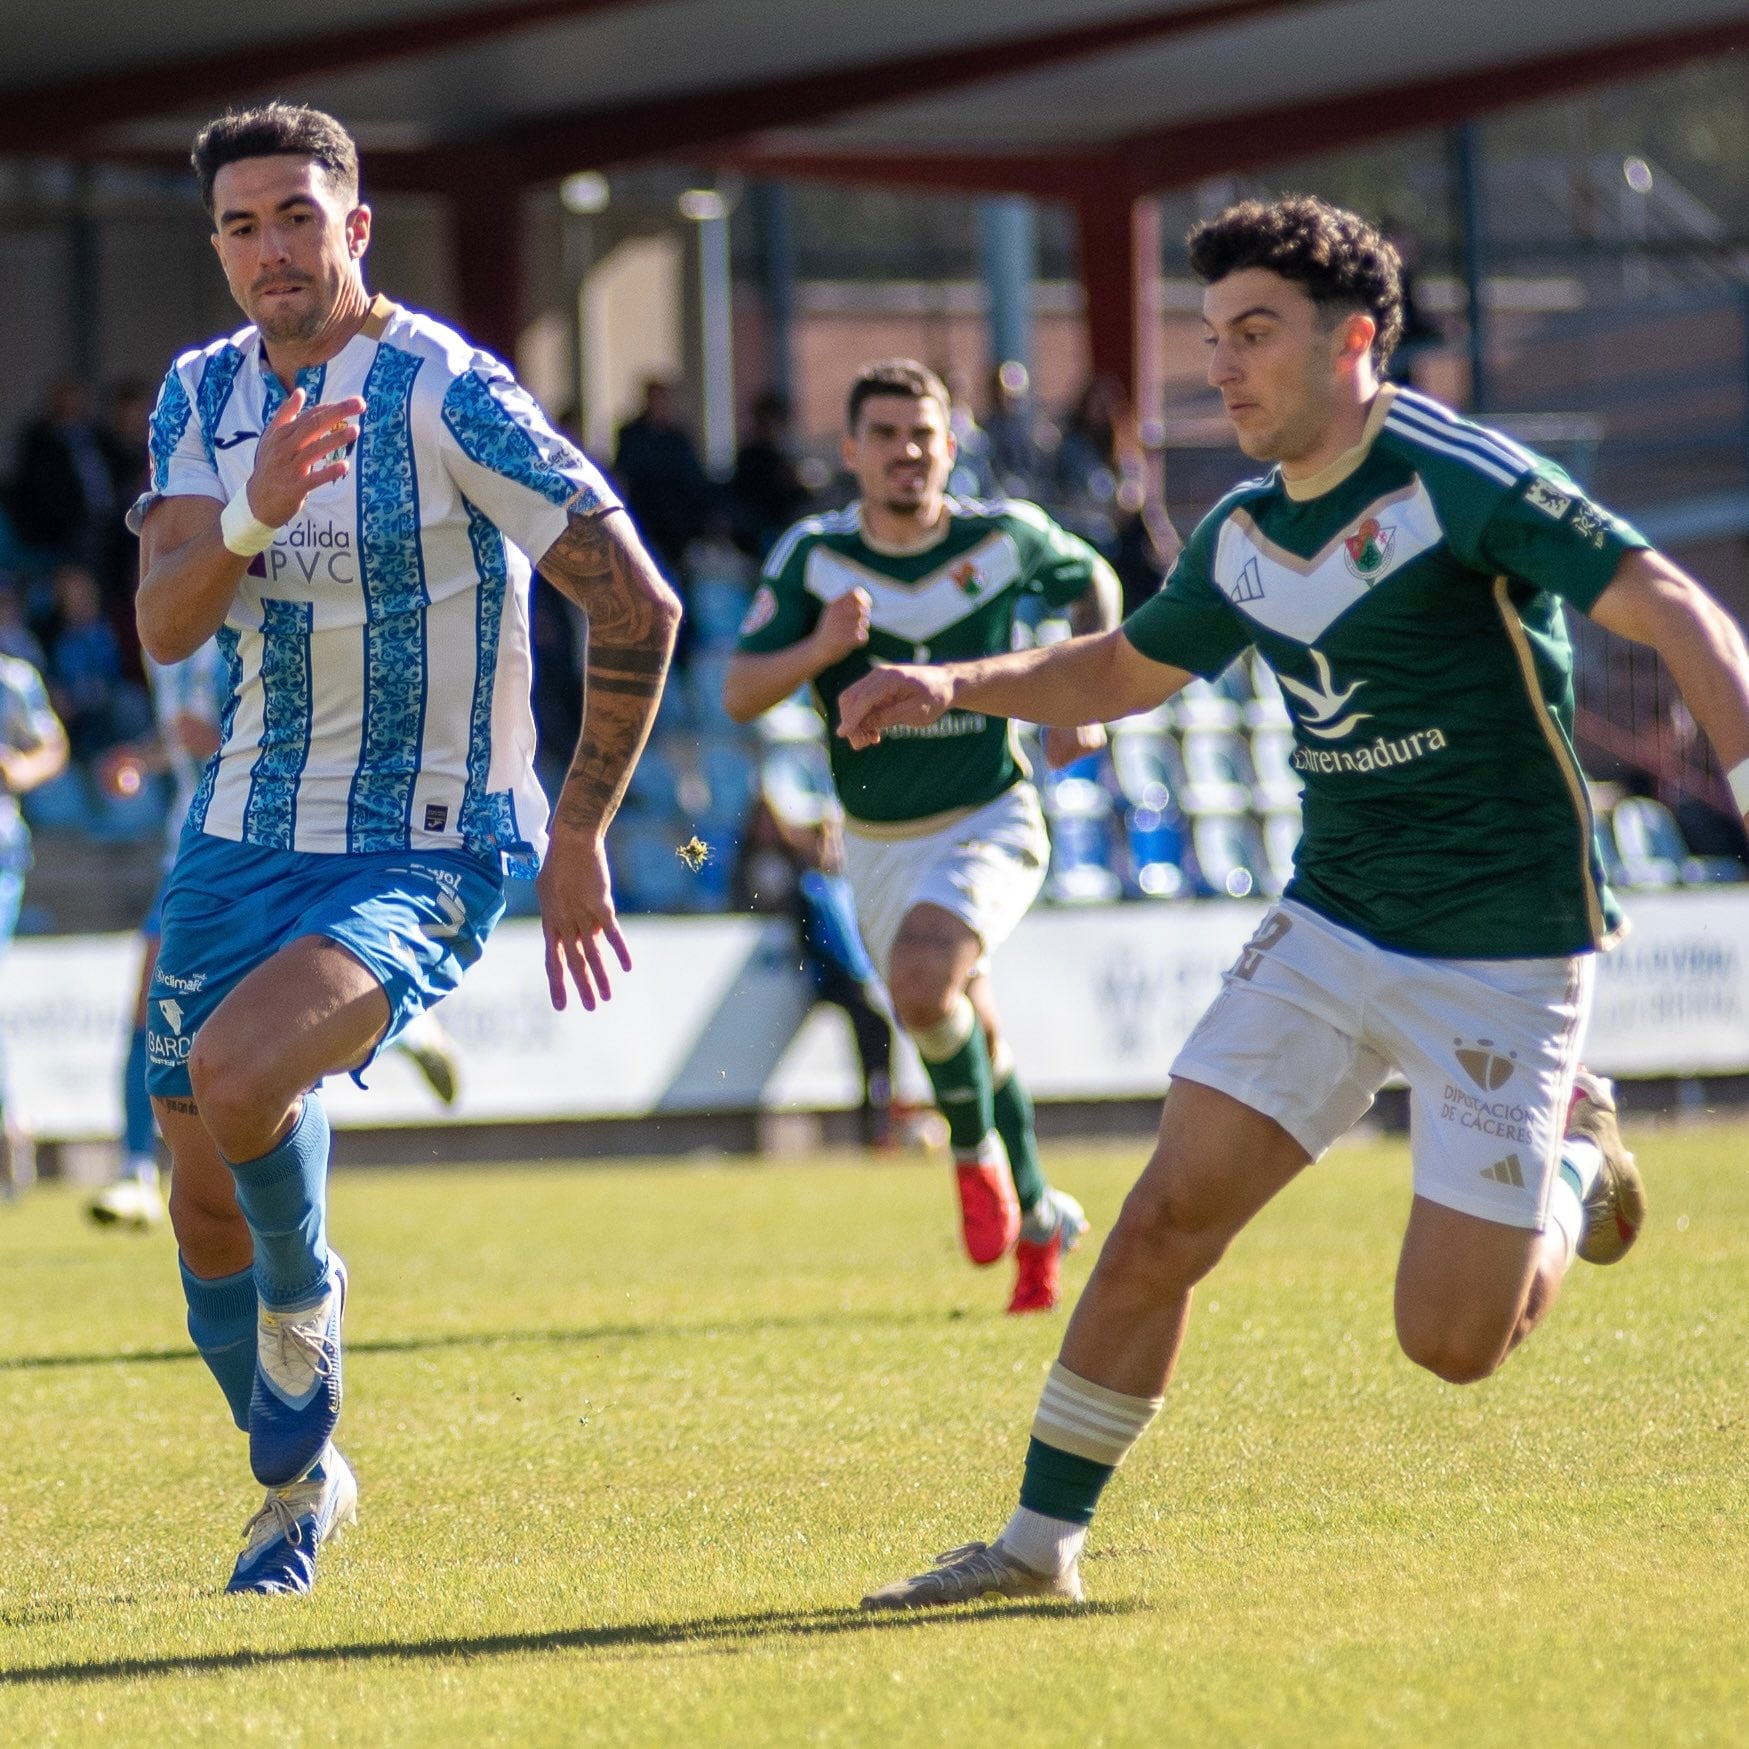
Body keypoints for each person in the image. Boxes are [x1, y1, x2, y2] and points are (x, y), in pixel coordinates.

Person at [843, 195, 1749, 1608]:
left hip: (1503, 947)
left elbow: (1682, 612)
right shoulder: (1242, 529)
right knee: (1160, 1222)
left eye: (1253, 333)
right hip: (1329, 922)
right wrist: (949, 684)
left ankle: (1578, 1152)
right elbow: (1125, 671)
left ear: (1357, 342)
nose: (1221, 364)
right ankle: (1033, 1552)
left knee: (1451, 1343)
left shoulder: (1464, 480)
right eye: (1210, 337)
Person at [131, 103, 679, 1596]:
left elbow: (634, 604)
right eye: (241, 226)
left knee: (244, 1077)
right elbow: (166, 619)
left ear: (354, 227)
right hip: (237, 836)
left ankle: (308, 1315)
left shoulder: (444, 388)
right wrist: (252, 509)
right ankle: (298, 1486)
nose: (270, 251)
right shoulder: (199, 396)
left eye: (297, 217)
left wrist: (578, 831)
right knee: (192, 1182)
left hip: (424, 845)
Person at [722, 358, 1118, 1314]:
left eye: (925, 434)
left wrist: (1085, 699)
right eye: (888, 435)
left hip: (989, 813)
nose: (909, 451)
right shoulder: (812, 558)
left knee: (924, 980)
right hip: (876, 840)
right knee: (960, 1016)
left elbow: (1094, 580)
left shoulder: (1002, 537)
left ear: (953, 445)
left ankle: (975, 1155)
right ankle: (1039, 1220)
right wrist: (822, 645)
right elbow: (740, 692)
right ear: (851, 451)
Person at [734, 794, 895, 1148]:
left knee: (878, 1031)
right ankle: (876, 1119)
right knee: (873, 1027)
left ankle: (881, 1111)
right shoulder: (808, 888)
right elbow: (818, 944)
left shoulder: (839, 886)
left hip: (853, 978)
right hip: (833, 980)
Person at [0, 650, 69, 1194]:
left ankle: (9, 1126)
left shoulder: (11, 678)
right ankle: (12, 1121)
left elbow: (52, 744)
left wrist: (22, 768)